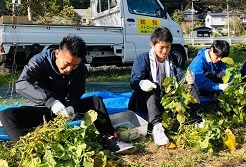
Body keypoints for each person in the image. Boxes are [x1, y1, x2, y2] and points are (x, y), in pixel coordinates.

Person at [0, 35, 134, 154]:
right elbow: (21, 84)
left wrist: (71, 106)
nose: (69, 69)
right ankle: (31, 151)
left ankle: (110, 139)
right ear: (57, 53)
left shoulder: (80, 69)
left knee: (96, 101)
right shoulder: (39, 61)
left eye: (74, 65)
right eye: (66, 64)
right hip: (41, 108)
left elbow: (77, 93)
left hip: (64, 111)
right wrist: (50, 101)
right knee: (7, 115)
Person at [127, 27, 182, 146]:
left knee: (190, 85)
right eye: (161, 47)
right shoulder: (143, 59)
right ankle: (157, 127)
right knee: (152, 87)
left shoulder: (173, 59)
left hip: (165, 100)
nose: (165, 51)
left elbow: (180, 75)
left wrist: (186, 80)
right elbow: (134, 80)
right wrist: (141, 83)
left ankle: (197, 118)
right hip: (143, 102)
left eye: (168, 47)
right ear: (152, 44)